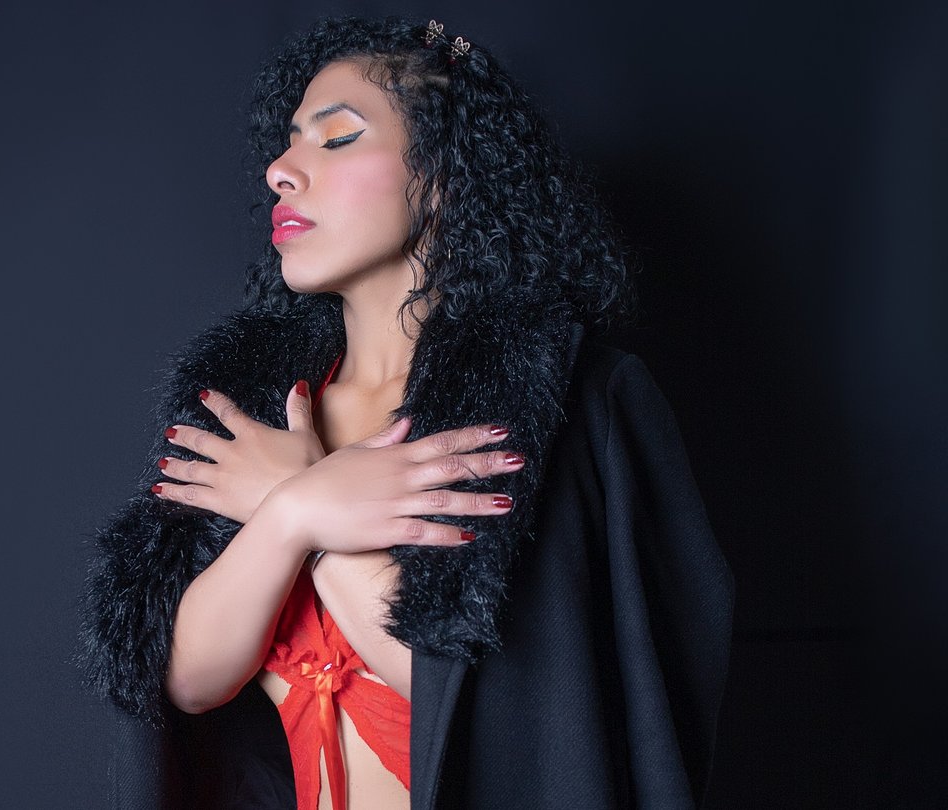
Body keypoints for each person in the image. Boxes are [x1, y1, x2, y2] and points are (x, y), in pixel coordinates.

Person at [80, 14, 734, 810]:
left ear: (444, 174)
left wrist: (308, 516)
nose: (281, 171)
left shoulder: (568, 405)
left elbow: (524, 718)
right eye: (286, 145)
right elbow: (182, 683)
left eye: (337, 138)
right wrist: (287, 516)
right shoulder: (255, 412)